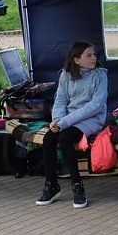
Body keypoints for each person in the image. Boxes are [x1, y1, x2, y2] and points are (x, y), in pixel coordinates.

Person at [36, 41, 107, 209]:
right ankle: (51, 185)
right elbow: (60, 100)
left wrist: (64, 123)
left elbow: (95, 105)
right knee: (49, 138)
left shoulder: (101, 75)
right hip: (67, 118)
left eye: (94, 54)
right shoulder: (66, 75)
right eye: (88, 55)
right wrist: (57, 120)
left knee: (65, 138)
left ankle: (77, 185)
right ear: (76, 60)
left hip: (92, 119)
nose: (93, 58)